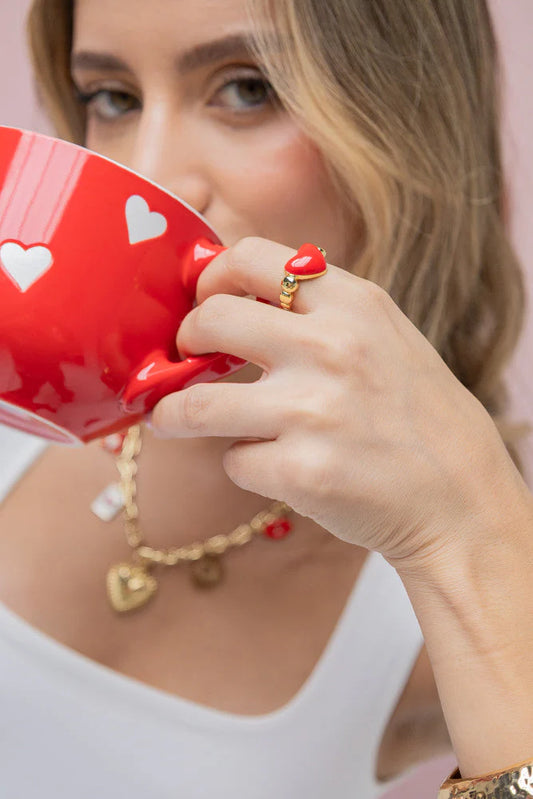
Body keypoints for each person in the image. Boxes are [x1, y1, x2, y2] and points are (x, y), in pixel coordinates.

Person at [0, 0, 532, 796]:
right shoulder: (28, 395)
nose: (150, 173)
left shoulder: (435, 600)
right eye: (112, 96)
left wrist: (470, 530)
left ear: (402, 124)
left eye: (248, 89)